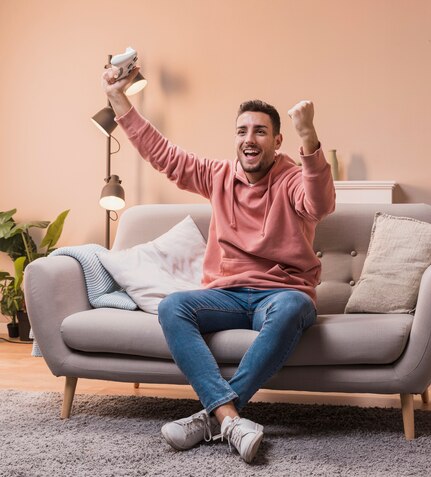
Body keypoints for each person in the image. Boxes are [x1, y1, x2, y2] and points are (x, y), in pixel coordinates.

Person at [101, 66, 335, 463]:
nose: (250, 138)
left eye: (260, 131)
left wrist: (309, 138)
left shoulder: (292, 179)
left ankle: (210, 417)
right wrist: (118, 98)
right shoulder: (217, 175)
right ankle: (227, 417)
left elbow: (320, 204)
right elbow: (162, 154)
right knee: (174, 306)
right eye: (242, 131)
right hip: (224, 296)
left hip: (280, 295)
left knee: (297, 306)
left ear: (278, 141)